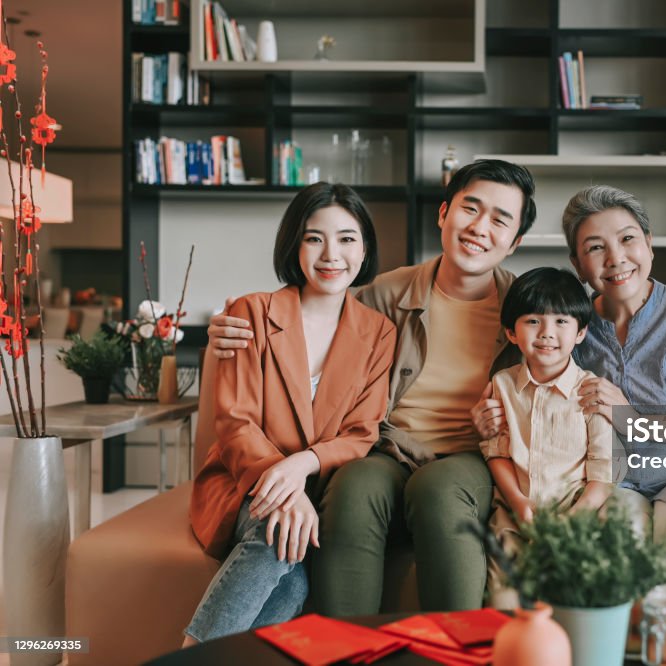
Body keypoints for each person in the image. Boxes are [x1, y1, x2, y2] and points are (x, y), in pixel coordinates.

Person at [206, 159, 537, 615]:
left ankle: (453, 651)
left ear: (516, 241)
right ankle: (346, 648)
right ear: (443, 214)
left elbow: (562, 367)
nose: (480, 227)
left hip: (468, 456)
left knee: (439, 490)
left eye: (500, 220)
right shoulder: (385, 294)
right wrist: (227, 330)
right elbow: (315, 305)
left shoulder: (527, 308)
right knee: (354, 486)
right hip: (387, 449)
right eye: (471, 209)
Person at [475, 185, 666, 563]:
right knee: (615, 552)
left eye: (627, 239)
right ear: (578, 264)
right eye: (595, 247)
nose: (616, 258)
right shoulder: (571, 324)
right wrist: (487, 413)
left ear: (649, 244)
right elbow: (514, 374)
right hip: (613, 480)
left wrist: (637, 421)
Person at [185, 183, 395, 644]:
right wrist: (283, 488)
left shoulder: (379, 332)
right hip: (244, 482)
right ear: (294, 245)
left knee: (296, 580)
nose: (330, 254)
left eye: (346, 238)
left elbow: (362, 432)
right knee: (275, 531)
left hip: (319, 489)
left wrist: (302, 466)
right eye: (313, 237)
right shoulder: (251, 312)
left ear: (364, 248)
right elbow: (235, 421)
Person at [480, 267, 614, 604]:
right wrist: (517, 501)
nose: (546, 333)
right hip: (515, 516)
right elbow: (496, 451)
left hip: (575, 516)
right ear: (511, 332)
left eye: (561, 322)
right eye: (533, 321)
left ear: (581, 332)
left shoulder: (591, 391)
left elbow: (603, 471)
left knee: (569, 600)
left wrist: (573, 521)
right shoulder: (502, 385)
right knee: (505, 604)